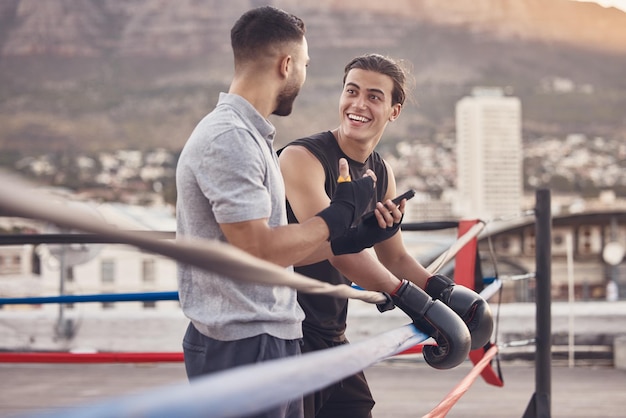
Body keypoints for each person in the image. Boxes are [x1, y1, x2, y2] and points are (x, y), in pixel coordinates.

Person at [175, 8, 378, 418]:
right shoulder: (230, 137)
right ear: (286, 65)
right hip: (242, 342)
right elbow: (259, 249)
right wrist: (338, 214)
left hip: (270, 335)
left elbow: (280, 252)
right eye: (303, 65)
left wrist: (354, 234)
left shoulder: (252, 136)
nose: (303, 76)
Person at [279, 53, 493, 418]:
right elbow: (335, 250)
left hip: (329, 333)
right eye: (352, 91)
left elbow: (394, 257)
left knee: (357, 408)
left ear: (394, 110)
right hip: (286, 333)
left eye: (374, 96)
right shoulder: (302, 158)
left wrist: (443, 291)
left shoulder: (380, 172)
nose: (358, 104)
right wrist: (416, 303)